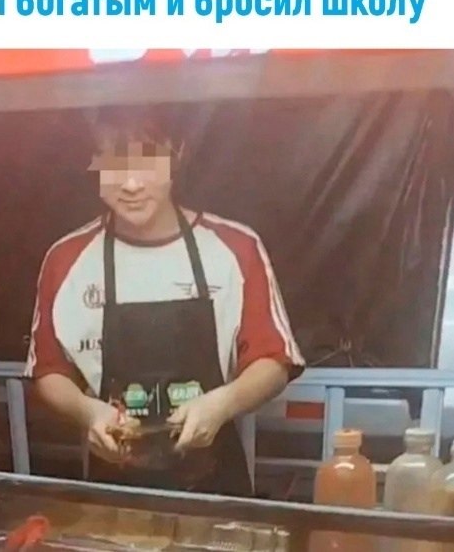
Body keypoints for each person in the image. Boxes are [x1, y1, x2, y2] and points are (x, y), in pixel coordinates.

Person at [24, 105, 305, 496]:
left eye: (147, 163)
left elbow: (273, 359)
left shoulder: (236, 247)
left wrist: (222, 404)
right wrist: (88, 412)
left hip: (217, 483)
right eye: (114, 166)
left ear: (177, 155)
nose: (131, 185)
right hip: (113, 486)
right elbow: (49, 369)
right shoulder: (66, 258)